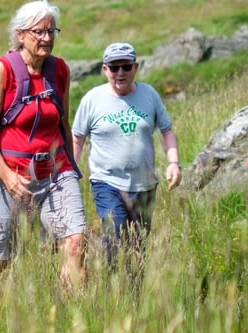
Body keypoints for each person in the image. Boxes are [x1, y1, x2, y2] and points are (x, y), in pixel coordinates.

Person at [0, 0, 87, 291]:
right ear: (21, 34)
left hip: (55, 173)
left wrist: (71, 167)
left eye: (52, 32)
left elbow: (63, 121)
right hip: (9, 176)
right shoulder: (3, 70)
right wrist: (8, 176)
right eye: (39, 32)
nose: (47, 38)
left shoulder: (59, 70)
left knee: (75, 243)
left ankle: (75, 322)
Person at [72, 42, 181, 271]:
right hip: (107, 182)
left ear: (135, 67)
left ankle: (134, 298)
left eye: (125, 67)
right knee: (115, 236)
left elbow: (167, 131)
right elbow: (77, 138)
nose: (120, 73)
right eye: (114, 67)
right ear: (105, 70)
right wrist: (71, 172)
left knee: (138, 246)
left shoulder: (149, 94)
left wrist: (173, 163)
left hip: (145, 185)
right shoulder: (92, 99)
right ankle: (113, 288)